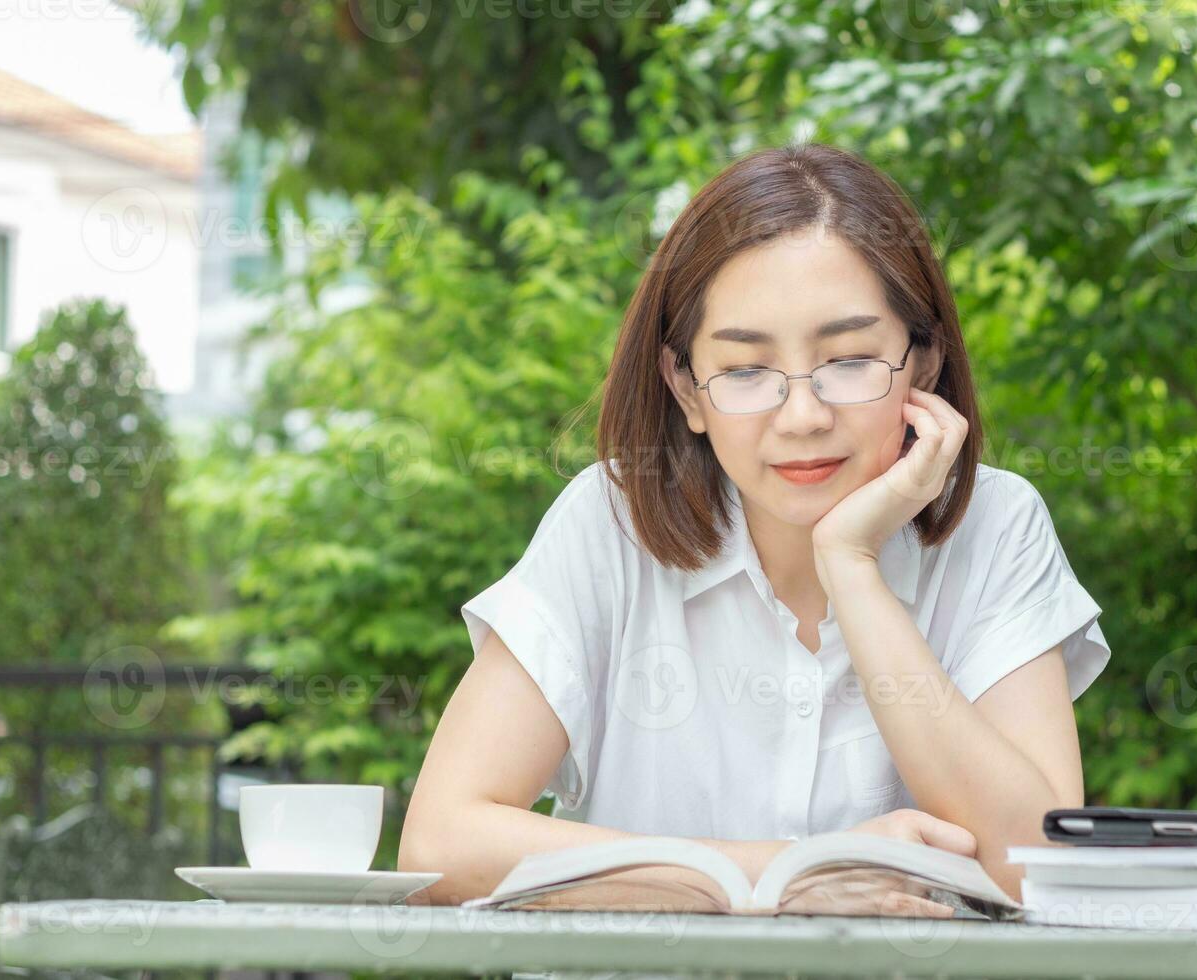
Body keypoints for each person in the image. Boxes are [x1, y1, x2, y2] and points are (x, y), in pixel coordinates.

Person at [398, 142, 1111, 917]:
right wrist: (784, 876)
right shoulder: (611, 523)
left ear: (925, 363)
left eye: (849, 360)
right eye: (744, 371)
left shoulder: (996, 527)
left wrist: (852, 563)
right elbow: (440, 848)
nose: (802, 417)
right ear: (686, 389)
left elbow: (1040, 869)